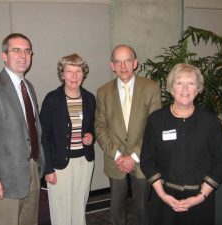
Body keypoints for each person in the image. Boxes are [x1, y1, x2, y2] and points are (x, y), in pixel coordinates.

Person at [140, 63, 222, 225]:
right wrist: (162, 195)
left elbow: (220, 163)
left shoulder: (210, 121)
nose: (185, 89)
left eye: (191, 83)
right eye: (179, 83)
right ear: (171, 88)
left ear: (198, 89)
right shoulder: (156, 120)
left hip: (200, 201)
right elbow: (147, 160)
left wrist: (200, 196)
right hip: (164, 201)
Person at [0, 33, 45, 225]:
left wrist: (40, 165)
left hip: (32, 171)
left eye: (27, 51)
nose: (23, 55)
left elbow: (34, 129)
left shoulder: (28, 86)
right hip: (4, 178)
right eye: (16, 50)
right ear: (4, 55)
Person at [95, 44, 161, 225]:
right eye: (118, 61)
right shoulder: (103, 92)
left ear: (135, 63)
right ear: (112, 66)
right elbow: (99, 127)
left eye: (127, 61)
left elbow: (155, 128)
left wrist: (133, 156)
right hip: (114, 160)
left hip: (142, 159)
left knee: (142, 208)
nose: (123, 66)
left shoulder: (151, 87)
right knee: (116, 209)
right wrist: (117, 155)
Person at [39, 53, 96, 225]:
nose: (74, 76)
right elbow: (44, 136)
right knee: (61, 211)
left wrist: (90, 136)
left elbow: (92, 126)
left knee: (79, 208)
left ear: (83, 74)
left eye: (78, 71)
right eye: (69, 71)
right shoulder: (52, 99)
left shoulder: (89, 98)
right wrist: (48, 168)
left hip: (84, 162)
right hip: (59, 165)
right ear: (62, 74)